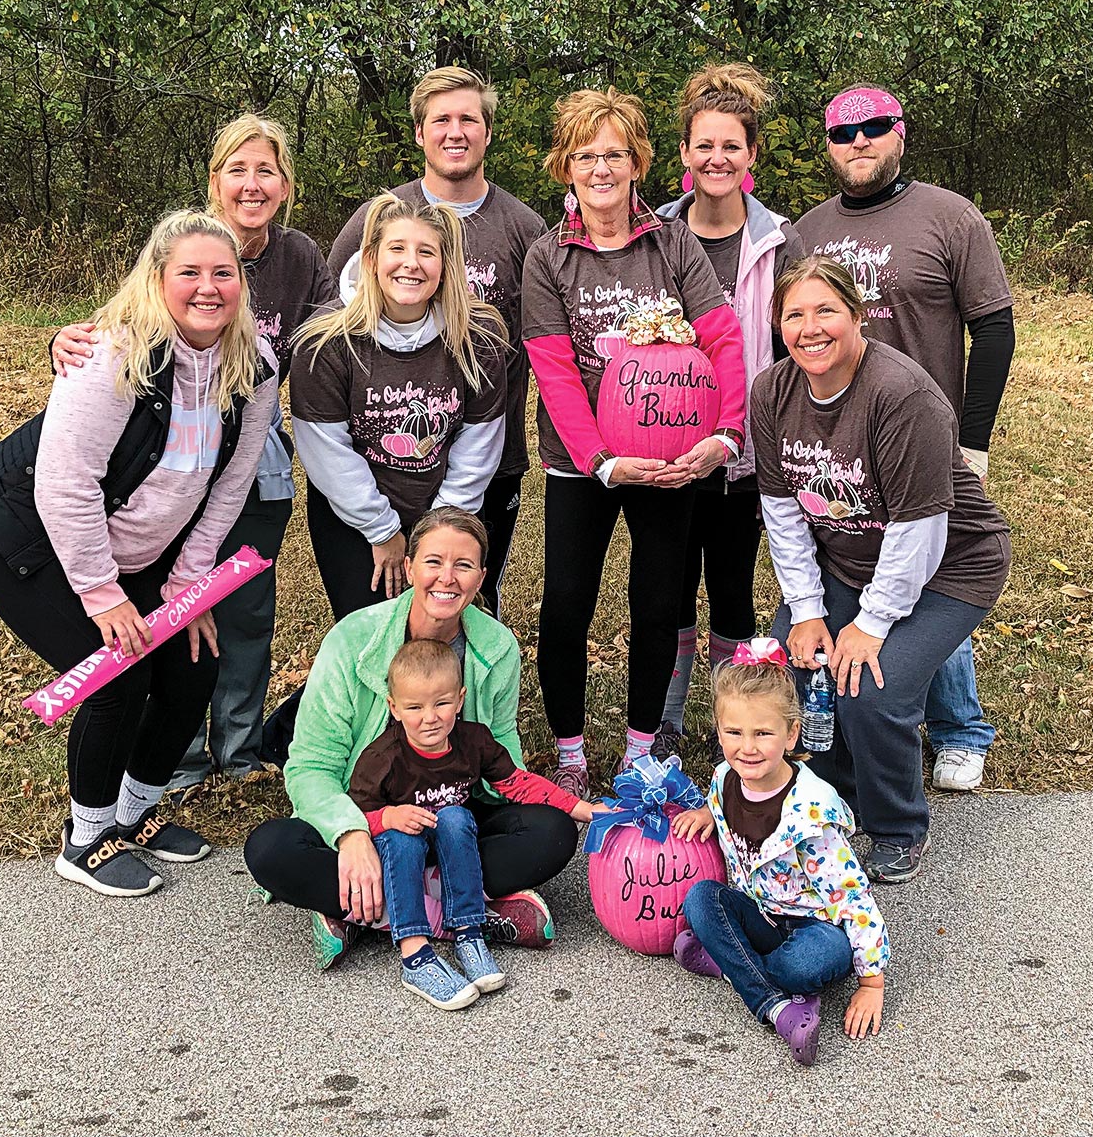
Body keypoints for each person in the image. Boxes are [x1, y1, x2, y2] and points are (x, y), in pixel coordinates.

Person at [0, 210, 280, 896]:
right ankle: (86, 838)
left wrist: (188, 584)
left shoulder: (253, 367)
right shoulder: (115, 354)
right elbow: (65, 483)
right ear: (157, 280)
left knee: (197, 663)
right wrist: (102, 594)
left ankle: (135, 815)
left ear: (240, 285)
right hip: (33, 537)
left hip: (141, 550)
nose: (207, 287)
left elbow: (230, 484)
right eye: (188, 273)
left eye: (222, 273)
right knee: (118, 673)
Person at [50, 114, 335, 791]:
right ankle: (174, 755)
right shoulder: (180, 244)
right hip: (168, 465)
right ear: (215, 181)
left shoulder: (302, 259)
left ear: (286, 183)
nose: (252, 183)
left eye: (266, 169)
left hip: (251, 457)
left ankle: (237, 749)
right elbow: (114, 331)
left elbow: (340, 333)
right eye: (237, 169)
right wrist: (61, 343)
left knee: (243, 609)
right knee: (170, 606)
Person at [750, 256, 1011, 882]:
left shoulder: (903, 395)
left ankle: (897, 826)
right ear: (778, 325)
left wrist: (869, 625)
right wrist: (809, 612)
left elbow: (918, 531)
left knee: (870, 688)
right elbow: (783, 510)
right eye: (795, 314)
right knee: (798, 671)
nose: (811, 328)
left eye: (826, 311)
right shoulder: (772, 391)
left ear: (858, 315)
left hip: (952, 565)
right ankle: (839, 801)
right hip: (848, 559)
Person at [521, 86, 747, 798]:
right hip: (582, 464)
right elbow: (554, 370)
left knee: (656, 605)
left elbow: (724, 338)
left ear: (639, 161)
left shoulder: (672, 243)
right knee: (565, 604)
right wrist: (603, 460)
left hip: (673, 459)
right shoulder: (547, 257)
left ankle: (643, 753)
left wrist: (726, 434)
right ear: (565, 166)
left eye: (614, 153)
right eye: (586, 154)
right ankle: (569, 751)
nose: (601, 168)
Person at [794, 84, 1015, 793]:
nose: (858, 141)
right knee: (868, 571)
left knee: (936, 575)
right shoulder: (807, 230)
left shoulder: (951, 216)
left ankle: (959, 727)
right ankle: (885, 717)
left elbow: (996, 327)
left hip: (929, 439)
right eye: (842, 131)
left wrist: (973, 440)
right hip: (842, 447)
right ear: (828, 146)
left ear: (901, 133)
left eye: (874, 126)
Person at [244, 508, 579, 969]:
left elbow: (502, 751)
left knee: (552, 833)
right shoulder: (352, 639)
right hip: (371, 815)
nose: (448, 578)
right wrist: (352, 835)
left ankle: (366, 911)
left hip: (454, 815)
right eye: (433, 562)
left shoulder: (498, 646)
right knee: (270, 850)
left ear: (481, 576)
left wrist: (553, 804)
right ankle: (464, 912)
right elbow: (310, 765)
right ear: (409, 568)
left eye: (463, 565)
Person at [328, 66, 546, 619]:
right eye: (440, 119)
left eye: (468, 119)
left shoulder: (524, 228)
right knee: (375, 611)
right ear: (420, 133)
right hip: (381, 461)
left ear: (488, 132)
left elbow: (554, 336)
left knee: (465, 605)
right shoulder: (379, 220)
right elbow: (326, 318)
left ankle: (463, 704)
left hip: (484, 461)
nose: (456, 131)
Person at [656, 63, 806, 758]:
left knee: (733, 589)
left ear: (751, 156)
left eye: (732, 146)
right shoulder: (652, 233)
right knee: (669, 585)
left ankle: (733, 717)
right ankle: (667, 715)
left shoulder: (779, 241)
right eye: (704, 145)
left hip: (745, 452)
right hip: (668, 447)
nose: (718, 158)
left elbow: (795, 343)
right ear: (684, 152)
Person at [349, 638, 605, 1010]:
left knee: (455, 815)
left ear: (460, 698)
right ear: (394, 707)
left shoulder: (473, 741)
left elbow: (517, 783)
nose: (429, 717)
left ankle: (467, 931)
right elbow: (353, 816)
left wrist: (580, 808)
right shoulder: (382, 758)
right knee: (403, 840)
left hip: (452, 840)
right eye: (414, 707)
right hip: (400, 847)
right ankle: (415, 955)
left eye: (441, 703)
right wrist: (388, 816)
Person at [670, 644, 889, 1067]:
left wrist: (872, 984)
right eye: (733, 733)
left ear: (791, 734)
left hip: (817, 929)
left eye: (763, 733)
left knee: (804, 966)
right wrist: (706, 814)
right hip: (763, 914)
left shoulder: (810, 815)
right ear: (718, 731)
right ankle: (778, 1003)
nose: (747, 748)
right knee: (701, 899)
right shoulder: (723, 779)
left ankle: (739, 969)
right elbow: (723, 804)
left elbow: (853, 898)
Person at [292, 194, 508, 619]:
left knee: (438, 635)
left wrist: (439, 531)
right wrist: (382, 530)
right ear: (371, 259)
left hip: (446, 505)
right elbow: (327, 452)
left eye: (426, 252)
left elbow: (479, 443)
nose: (411, 263)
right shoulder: (325, 343)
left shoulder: (478, 339)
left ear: (445, 266)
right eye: (397, 249)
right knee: (369, 631)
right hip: (355, 516)